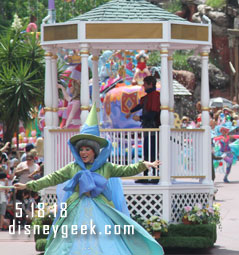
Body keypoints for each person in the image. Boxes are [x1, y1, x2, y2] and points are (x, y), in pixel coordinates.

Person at [14, 108, 163, 254]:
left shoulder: (106, 167)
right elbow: (52, 178)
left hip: (102, 209)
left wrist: (144, 164)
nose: (83, 153)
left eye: (87, 149)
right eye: (81, 149)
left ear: (94, 151)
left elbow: (126, 170)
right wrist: (28, 185)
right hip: (76, 209)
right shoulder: (73, 167)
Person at [128, 75, 160, 184]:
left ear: (150, 84)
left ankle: (155, 176)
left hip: (154, 128)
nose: (144, 86)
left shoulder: (155, 96)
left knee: (153, 152)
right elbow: (140, 105)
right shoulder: (148, 97)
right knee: (146, 152)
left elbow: (153, 113)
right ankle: (146, 175)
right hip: (148, 128)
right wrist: (131, 112)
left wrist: (140, 117)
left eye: (145, 84)